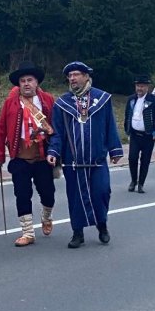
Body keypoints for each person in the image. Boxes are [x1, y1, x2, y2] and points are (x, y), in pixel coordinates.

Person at [47, 62, 123, 249]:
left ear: (86, 76)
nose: (72, 78)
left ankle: (102, 225)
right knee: (75, 197)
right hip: (73, 162)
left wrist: (115, 149)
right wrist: (53, 151)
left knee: (102, 192)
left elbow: (109, 125)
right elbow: (57, 132)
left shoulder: (102, 99)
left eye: (76, 74)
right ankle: (77, 233)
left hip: (97, 160)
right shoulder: (62, 103)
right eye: (70, 75)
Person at [0, 61, 56, 247]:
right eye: (22, 81)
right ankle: (28, 232)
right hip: (20, 156)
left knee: (48, 193)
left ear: (36, 82)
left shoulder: (47, 101)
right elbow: (1, 129)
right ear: (18, 84)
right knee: (22, 194)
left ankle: (46, 216)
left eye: (30, 80)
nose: (26, 84)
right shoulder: (10, 103)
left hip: (42, 156)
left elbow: (56, 127)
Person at [124, 75, 155, 194]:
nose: (139, 88)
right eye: (137, 86)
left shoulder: (154, 100)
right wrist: (127, 129)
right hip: (135, 135)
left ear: (147, 87)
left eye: (142, 86)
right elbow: (127, 115)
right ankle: (133, 181)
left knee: (145, 160)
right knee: (132, 158)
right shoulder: (131, 99)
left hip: (148, 135)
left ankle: (141, 184)